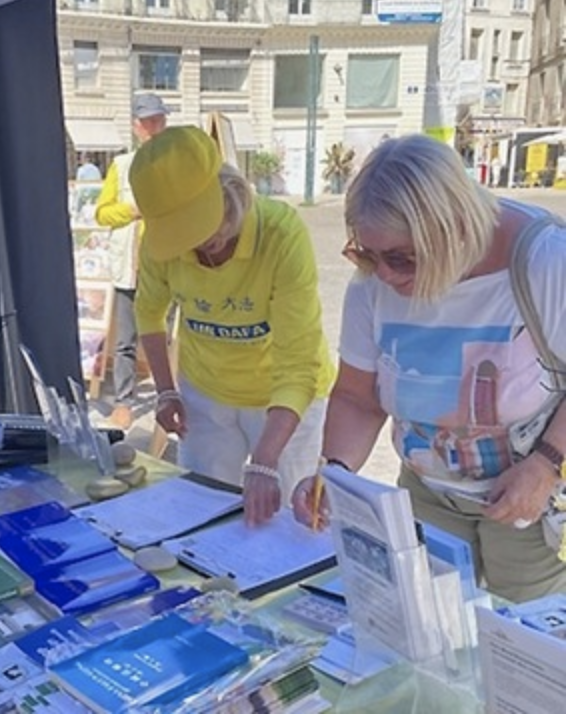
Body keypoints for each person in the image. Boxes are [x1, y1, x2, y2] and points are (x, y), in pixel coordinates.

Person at [290, 134, 566, 603]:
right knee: (434, 634)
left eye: (401, 258)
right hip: (427, 491)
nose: (384, 275)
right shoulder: (373, 285)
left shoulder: (545, 262)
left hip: (532, 499)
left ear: (455, 227)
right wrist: (334, 473)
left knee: (531, 650)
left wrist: (546, 465)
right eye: (366, 253)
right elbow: (358, 397)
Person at [130, 126, 334, 525]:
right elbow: (149, 313)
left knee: (291, 521)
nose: (195, 246)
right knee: (199, 512)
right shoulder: (161, 244)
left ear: (229, 194)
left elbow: (298, 363)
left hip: (283, 401)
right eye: (180, 234)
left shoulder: (281, 234)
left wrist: (265, 459)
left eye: (202, 228)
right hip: (205, 395)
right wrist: (166, 392)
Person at [94, 93, 170, 430]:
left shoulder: (177, 161)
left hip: (168, 263)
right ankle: (124, 401)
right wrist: (131, 211)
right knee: (126, 339)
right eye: (148, 121)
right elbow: (101, 213)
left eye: (160, 120)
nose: (155, 127)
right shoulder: (122, 165)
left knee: (167, 337)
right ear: (136, 126)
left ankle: (170, 395)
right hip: (130, 267)